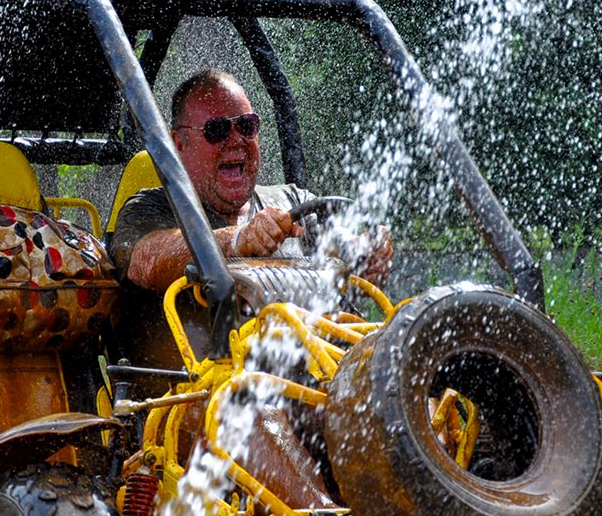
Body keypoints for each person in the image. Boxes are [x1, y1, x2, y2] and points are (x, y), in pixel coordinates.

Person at [109, 69, 393, 367]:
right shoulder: (151, 208)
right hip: (196, 400)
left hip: (312, 387)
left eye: (246, 126)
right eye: (217, 130)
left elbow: (343, 258)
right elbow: (148, 261)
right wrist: (237, 240)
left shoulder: (294, 202)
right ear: (179, 144)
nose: (236, 141)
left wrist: (366, 256)